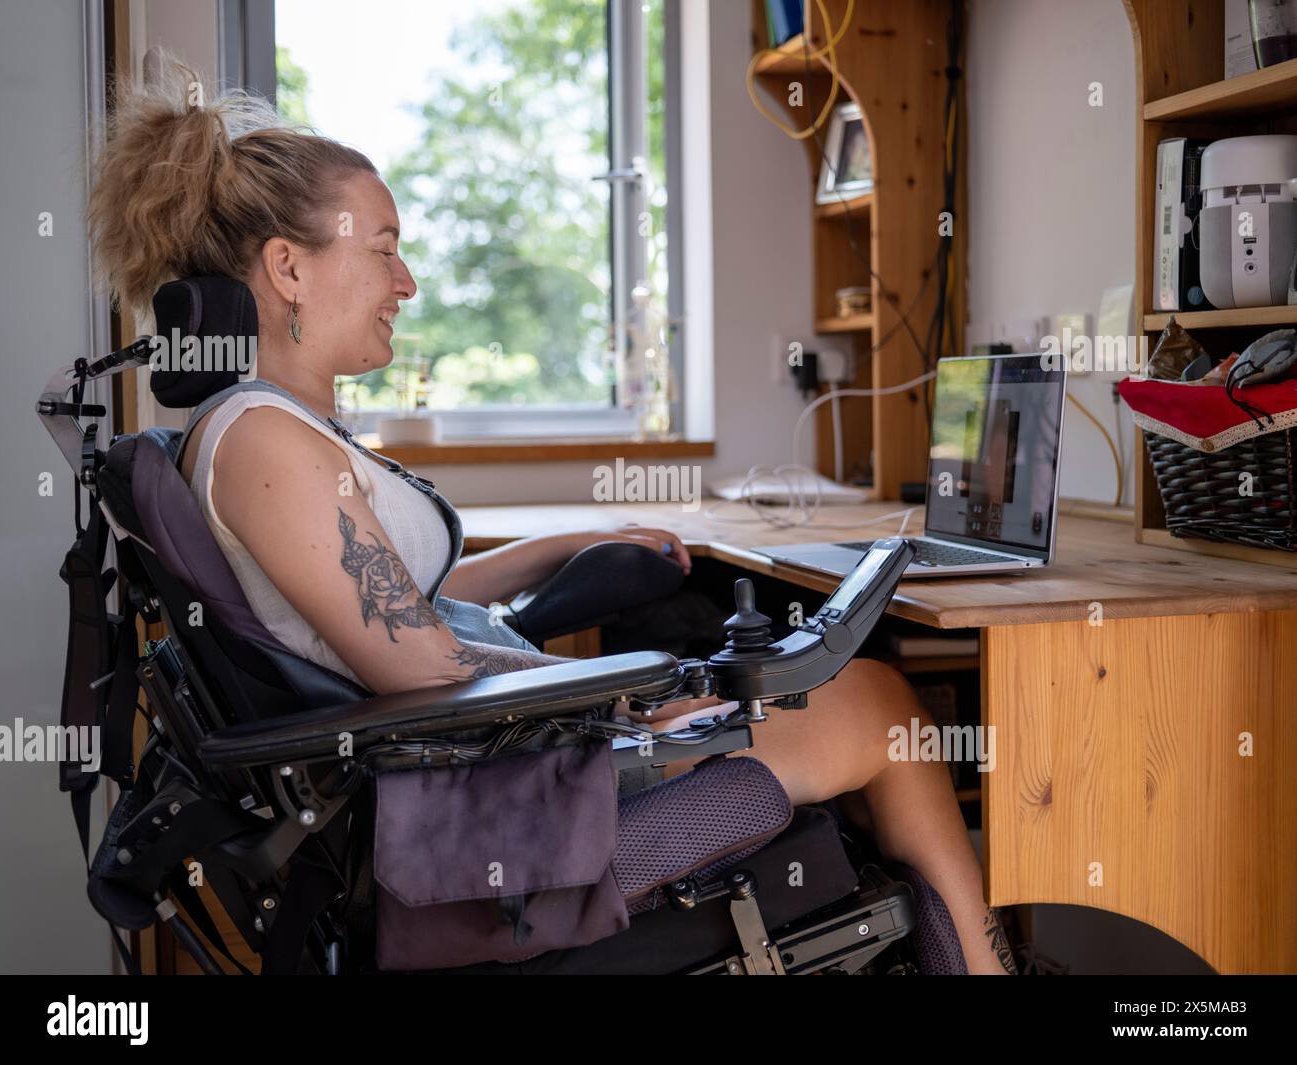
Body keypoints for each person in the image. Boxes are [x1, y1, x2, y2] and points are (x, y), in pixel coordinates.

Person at [87, 58, 1016, 975]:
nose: (406, 283)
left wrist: (567, 546)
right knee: (876, 702)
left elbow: (398, 602)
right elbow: (422, 665)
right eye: (383, 248)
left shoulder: (271, 430)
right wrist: (640, 697)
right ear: (289, 267)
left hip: (467, 767)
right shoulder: (264, 444)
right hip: (478, 815)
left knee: (845, 703)